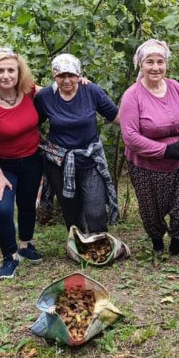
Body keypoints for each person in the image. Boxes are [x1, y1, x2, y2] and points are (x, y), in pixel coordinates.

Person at [119, 39, 179, 256]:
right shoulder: (132, 96)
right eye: (150, 62)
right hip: (146, 165)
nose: (155, 67)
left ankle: (177, 243)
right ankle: (157, 243)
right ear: (141, 65)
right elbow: (130, 136)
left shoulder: (174, 86)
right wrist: (164, 150)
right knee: (151, 209)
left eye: (160, 62)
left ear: (166, 64)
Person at [0, 47, 43, 279]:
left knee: (27, 204)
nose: (6, 75)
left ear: (19, 72)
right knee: (2, 209)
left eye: (11, 70)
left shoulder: (29, 91)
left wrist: (80, 81)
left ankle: (25, 245)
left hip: (32, 160)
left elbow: (59, 89)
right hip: (1, 165)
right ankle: (9, 256)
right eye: (0, 70)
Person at [35, 53, 119, 235]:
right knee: (71, 210)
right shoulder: (45, 96)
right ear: (54, 75)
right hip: (60, 163)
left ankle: (99, 241)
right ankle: (79, 243)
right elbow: (32, 122)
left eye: (71, 75)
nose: (66, 80)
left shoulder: (91, 91)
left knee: (95, 210)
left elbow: (116, 116)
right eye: (61, 76)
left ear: (79, 75)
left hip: (89, 159)